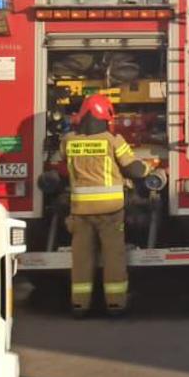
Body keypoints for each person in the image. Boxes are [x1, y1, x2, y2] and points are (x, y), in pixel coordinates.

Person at [49, 94, 151, 317]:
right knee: (114, 256)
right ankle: (116, 303)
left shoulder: (68, 142)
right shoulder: (113, 141)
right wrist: (147, 169)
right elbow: (133, 169)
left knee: (82, 258)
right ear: (106, 116)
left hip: (80, 212)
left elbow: (63, 167)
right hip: (111, 212)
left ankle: (80, 304)